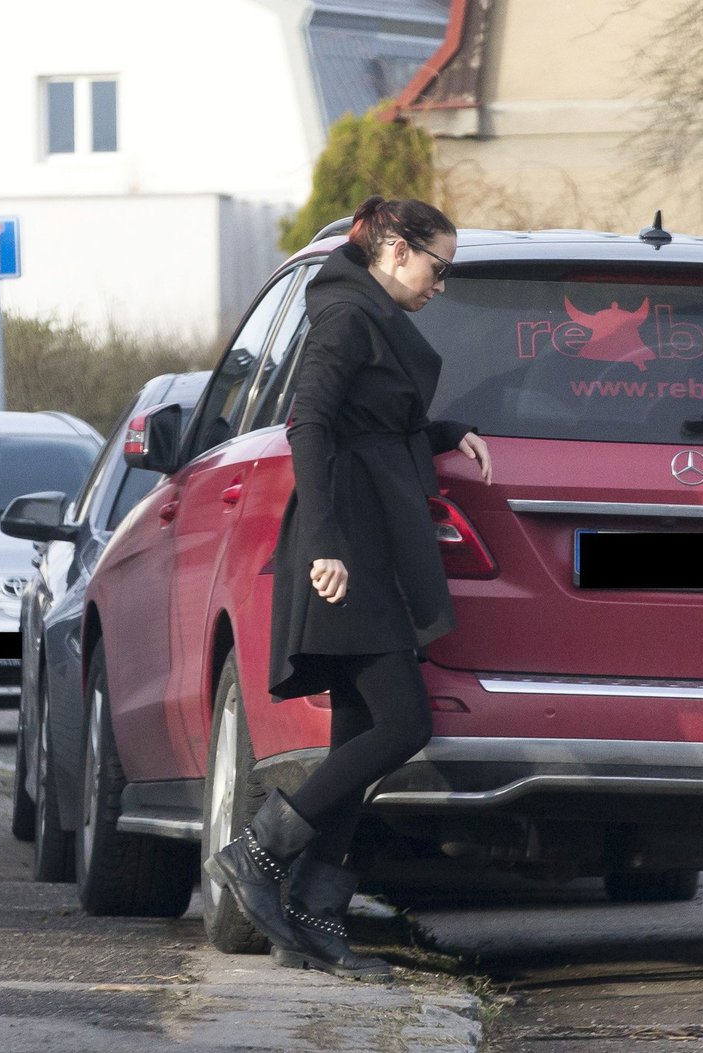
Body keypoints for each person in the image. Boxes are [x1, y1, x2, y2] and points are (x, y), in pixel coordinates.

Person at [205, 196, 492, 980]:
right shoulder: (343, 313)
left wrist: (440, 431)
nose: (441, 285)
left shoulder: (368, 313)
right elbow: (312, 425)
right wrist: (326, 545)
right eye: (439, 267)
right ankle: (259, 852)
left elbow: (376, 418)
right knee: (404, 722)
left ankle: (312, 912)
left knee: (358, 736)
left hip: (372, 540)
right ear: (397, 250)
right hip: (347, 546)